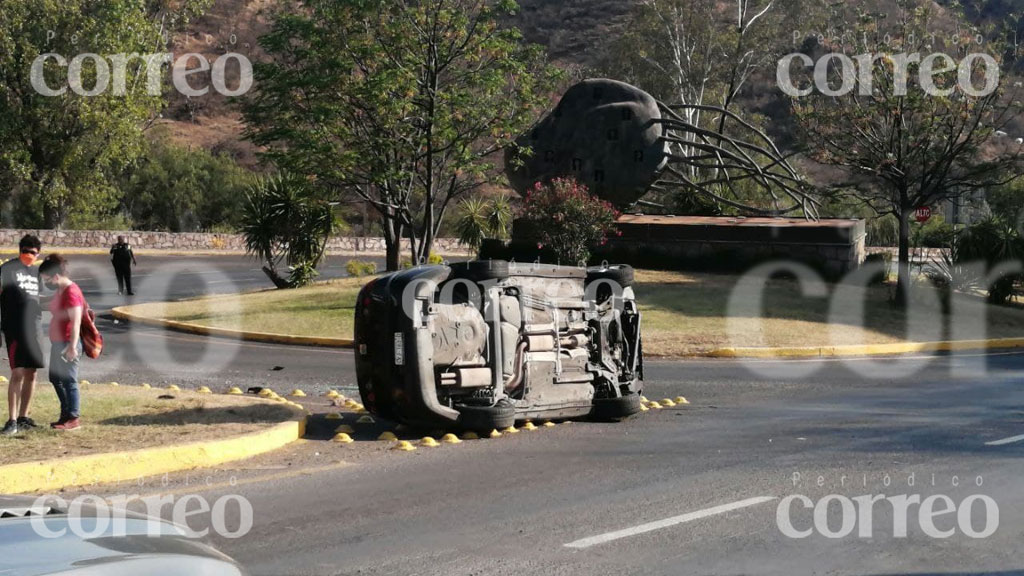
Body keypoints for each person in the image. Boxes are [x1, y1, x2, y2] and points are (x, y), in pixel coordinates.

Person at [0, 235, 44, 436]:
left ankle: (23, 417)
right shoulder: (8, 269)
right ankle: (11, 420)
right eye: (26, 251)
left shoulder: (37, 272)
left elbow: (39, 297)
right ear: (20, 250)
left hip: (34, 328)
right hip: (14, 327)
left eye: (33, 252)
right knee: (17, 373)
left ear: (38, 254)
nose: (29, 255)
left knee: (32, 372)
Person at [39, 254, 84, 431]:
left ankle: (73, 418)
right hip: (58, 342)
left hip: (67, 343)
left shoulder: (71, 292)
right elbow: (51, 306)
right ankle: (65, 414)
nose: (46, 283)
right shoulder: (60, 290)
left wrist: (72, 347)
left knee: (69, 380)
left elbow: (76, 322)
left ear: (56, 276)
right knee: (56, 378)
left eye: (47, 279)